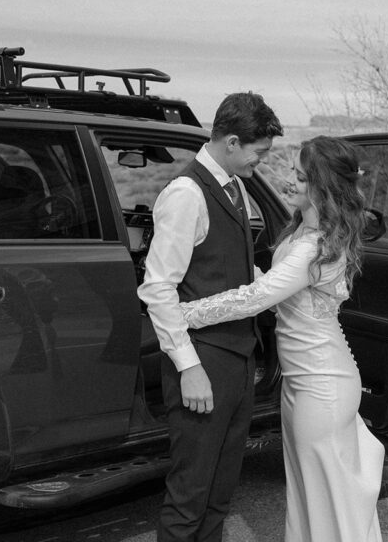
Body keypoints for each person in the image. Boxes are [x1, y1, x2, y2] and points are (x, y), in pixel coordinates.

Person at [179, 135, 384, 542]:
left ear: (323, 188)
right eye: (293, 171)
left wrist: (184, 313)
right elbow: (277, 295)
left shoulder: (315, 246)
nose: (291, 181)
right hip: (301, 383)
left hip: (322, 385)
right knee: (308, 497)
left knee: (326, 500)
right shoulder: (299, 233)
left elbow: (257, 298)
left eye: (302, 177)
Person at [138, 91, 283, 542]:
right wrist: (190, 369)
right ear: (233, 142)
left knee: (220, 494)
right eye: (259, 154)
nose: (260, 163)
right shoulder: (185, 194)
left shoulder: (234, 186)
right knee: (189, 498)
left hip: (238, 361)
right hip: (204, 362)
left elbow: (234, 268)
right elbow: (158, 288)